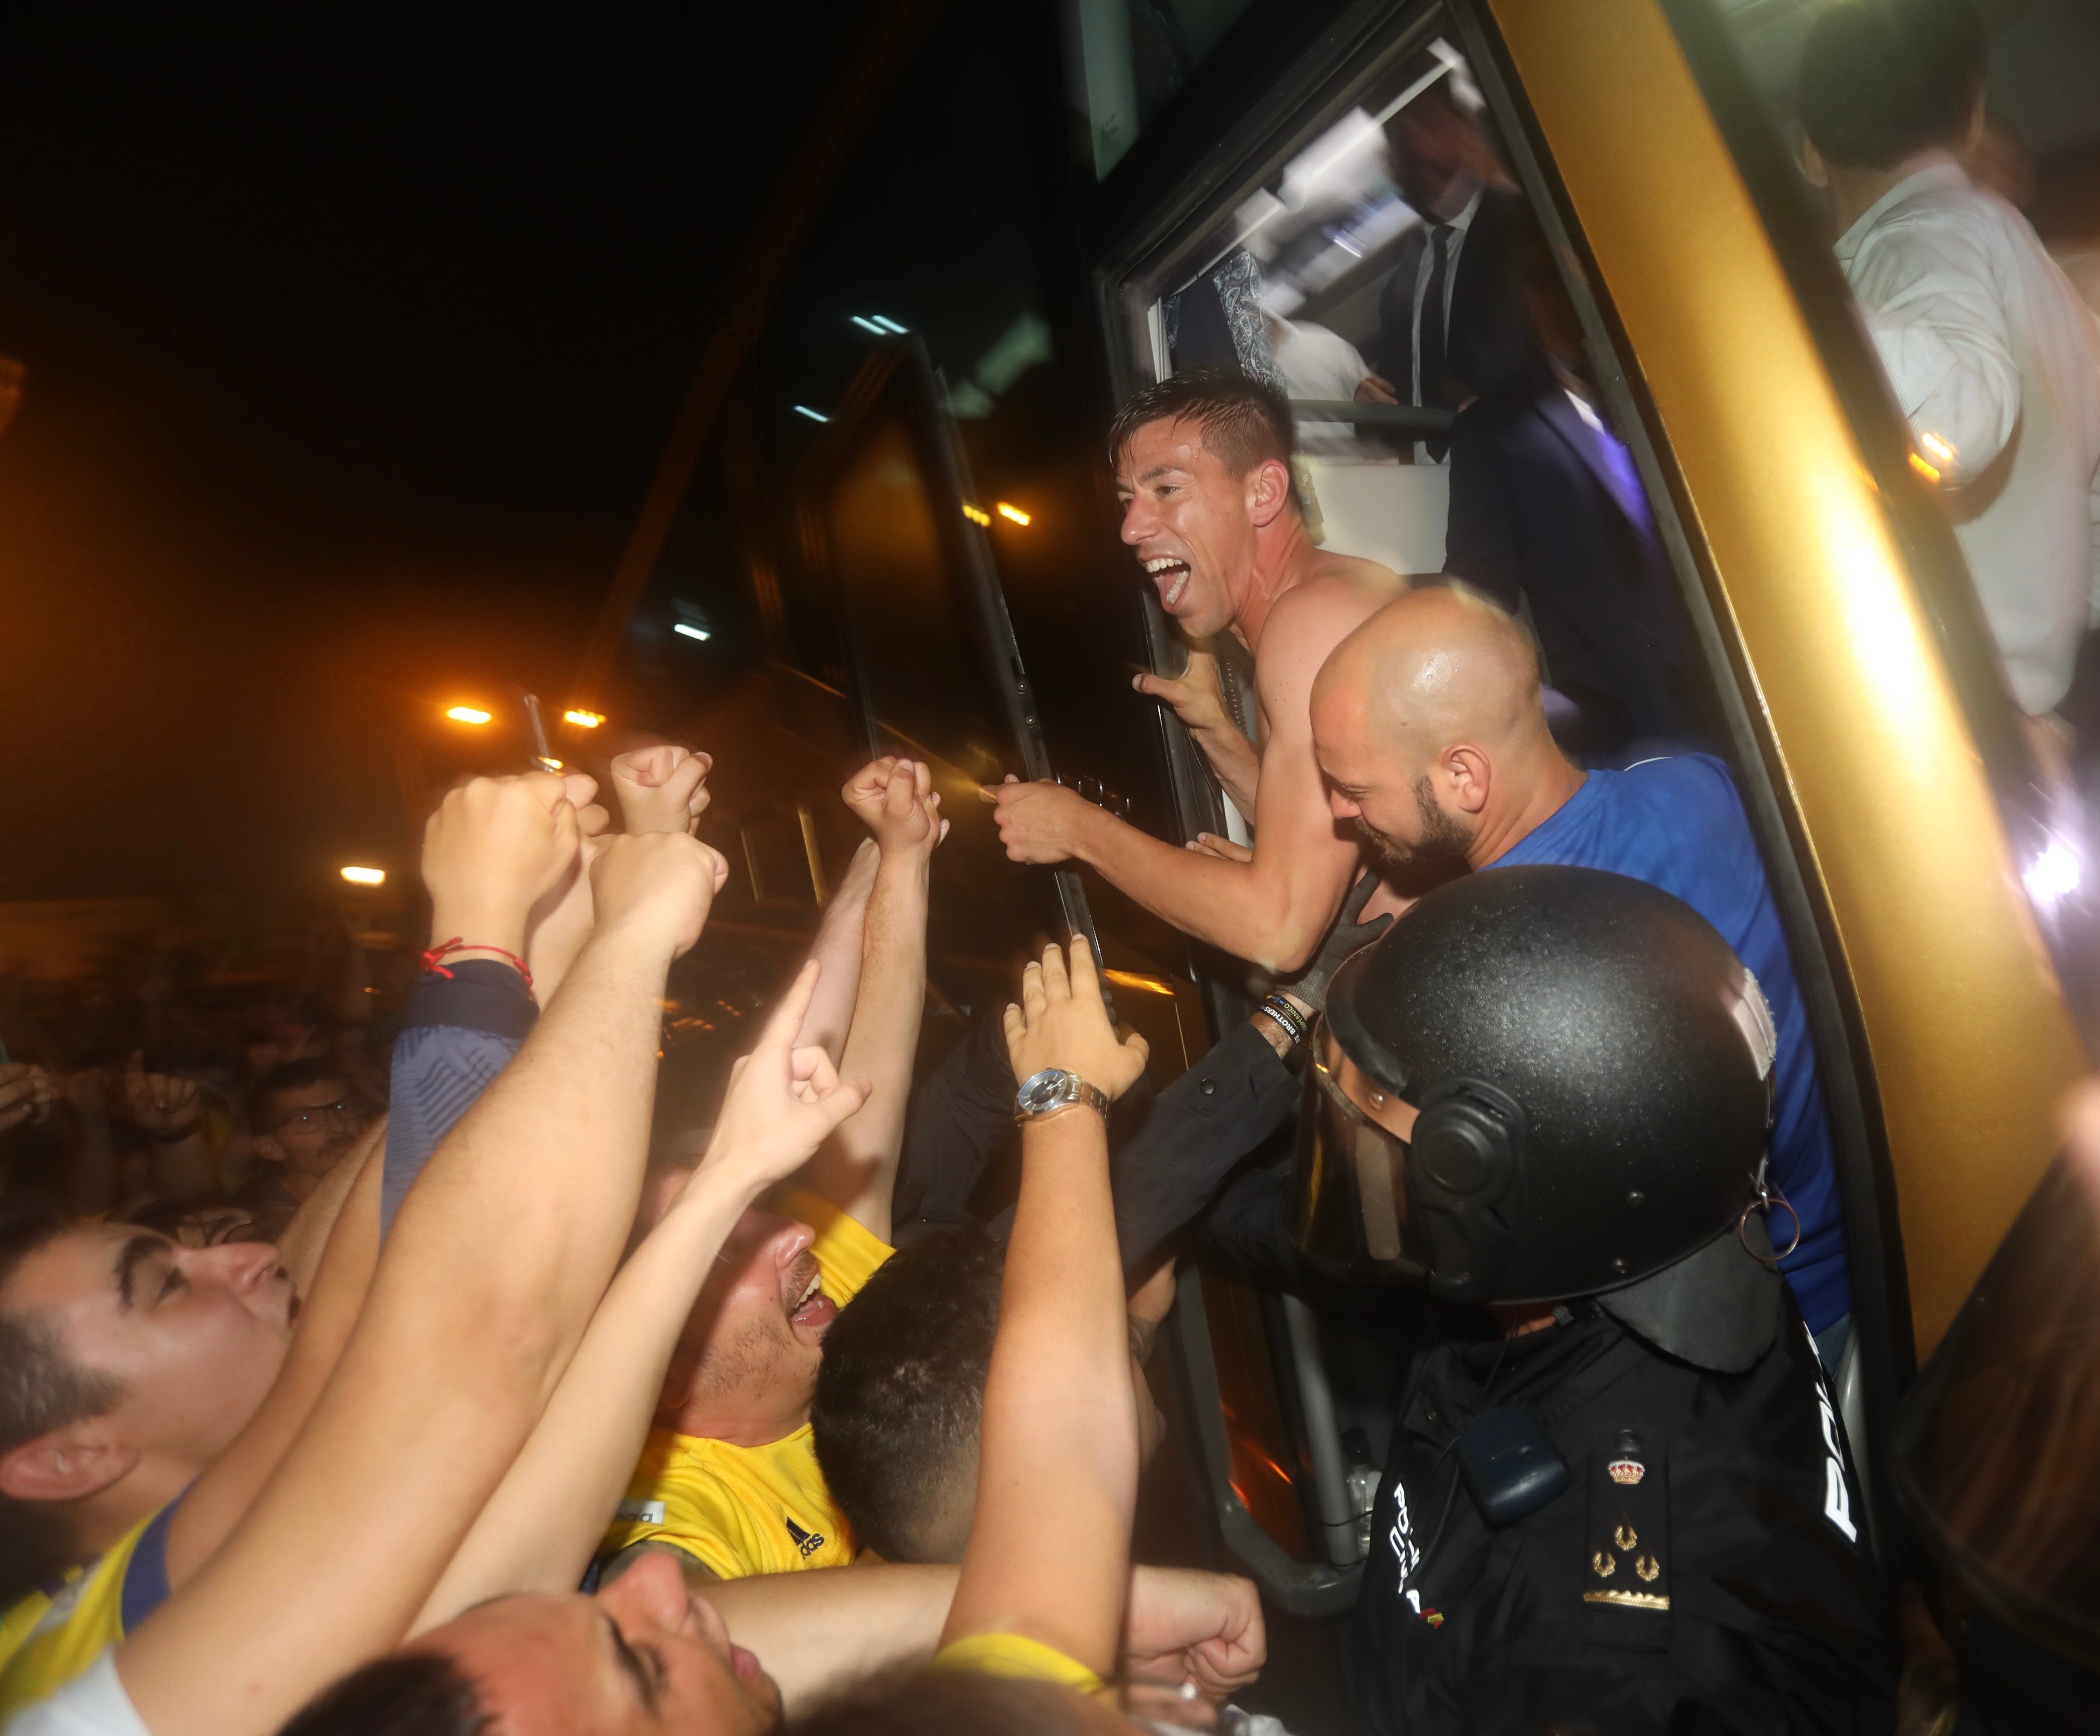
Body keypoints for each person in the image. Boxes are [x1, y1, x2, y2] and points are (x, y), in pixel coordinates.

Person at [1294, 865, 1895, 1734]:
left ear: (1517, 1199)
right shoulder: (1684, 1242)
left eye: (1392, 1152)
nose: (1374, 1182)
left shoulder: (1599, 1662)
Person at [1309, 586, 1852, 1357]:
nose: (1335, 812)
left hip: (1735, 1348)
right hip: (1839, 1262)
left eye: (1355, 790)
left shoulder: (1494, 979)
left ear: (1464, 776)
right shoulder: (1699, 786)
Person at [788, 933, 1265, 1732]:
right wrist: (1059, 1091)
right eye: (638, 1664)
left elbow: (1069, 1430)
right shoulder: (1001, 1710)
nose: (650, 1595)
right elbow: (1068, 1426)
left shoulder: (984, 1693)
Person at [596, 755, 943, 1586]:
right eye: (720, 1246)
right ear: (661, 1373)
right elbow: (662, 1636)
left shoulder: (826, 1306)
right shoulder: (682, 1520)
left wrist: (899, 856)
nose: (795, 1228)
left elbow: (873, 1072)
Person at [984, 369, 1406, 974]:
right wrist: (1214, 730)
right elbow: (1342, 838)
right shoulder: (1321, 597)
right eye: (1128, 501)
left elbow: (1278, 929)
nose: (1130, 529)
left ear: (1261, 493)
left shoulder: (1313, 622)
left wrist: (1077, 828)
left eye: (1166, 490)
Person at [1799, 0, 2100, 766]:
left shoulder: (1915, 243)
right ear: (1970, 112)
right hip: (2012, 722)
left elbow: (1958, 420)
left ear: (1807, 148)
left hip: (1945, 735)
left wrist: (1784, 300)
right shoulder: (2005, 246)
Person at [0, 1116, 382, 1717]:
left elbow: (317, 1265)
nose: (257, 1254)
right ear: (67, 1459)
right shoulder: (130, 1636)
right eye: (168, 1287)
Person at [1443, 199, 1697, 757]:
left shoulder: (1680, 378)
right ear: (1522, 294)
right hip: (1627, 725)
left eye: (1575, 273)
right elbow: (1476, 587)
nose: (1563, 297)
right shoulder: (1494, 430)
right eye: (1543, 279)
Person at [1354, 75, 1540, 458]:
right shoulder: (1402, 282)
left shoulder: (1519, 227)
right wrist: (1367, 403)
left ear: (1463, 129)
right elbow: (1397, 394)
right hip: (1434, 490)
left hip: (1518, 461)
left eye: (1429, 124)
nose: (1417, 147)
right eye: (1400, 138)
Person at [236, 1059, 370, 1238]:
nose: (338, 1127)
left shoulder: (393, 1181)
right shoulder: (262, 1224)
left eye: (344, 1108)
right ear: (270, 1147)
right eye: (306, 1120)